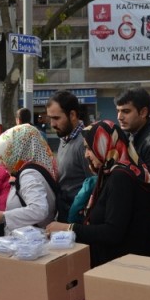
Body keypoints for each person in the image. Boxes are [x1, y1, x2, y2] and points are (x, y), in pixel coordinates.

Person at [46, 120, 150, 267]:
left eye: (89, 148)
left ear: (104, 144)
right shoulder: (112, 172)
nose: (86, 154)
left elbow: (112, 231)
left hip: (123, 267)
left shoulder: (121, 177)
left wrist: (68, 228)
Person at [0, 124, 58, 233]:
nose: (2, 162)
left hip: (30, 243)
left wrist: (3, 216)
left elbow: (39, 210)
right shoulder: (35, 168)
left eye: (6, 155)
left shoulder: (29, 175)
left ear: (17, 151)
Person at [46, 90, 92, 222]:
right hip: (65, 217)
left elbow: (94, 185)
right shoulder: (65, 138)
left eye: (56, 118)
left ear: (72, 115)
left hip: (78, 221)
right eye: (50, 118)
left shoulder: (84, 143)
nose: (52, 124)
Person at [115, 87, 150, 192]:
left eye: (126, 111)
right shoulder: (128, 135)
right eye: (118, 111)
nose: (119, 117)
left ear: (143, 112)